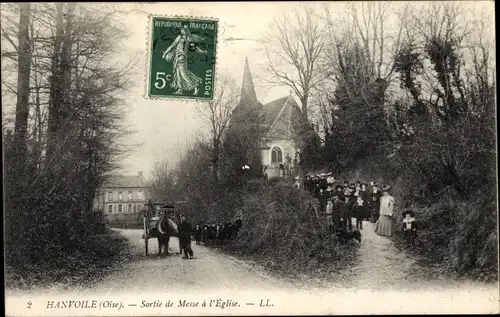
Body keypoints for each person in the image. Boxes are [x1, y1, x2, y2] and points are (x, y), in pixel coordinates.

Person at [162, 25, 207, 95]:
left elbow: (195, 47)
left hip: (182, 57)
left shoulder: (188, 38)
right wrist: (165, 53)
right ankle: (180, 90)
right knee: (178, 73)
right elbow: (173, 45)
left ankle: (196, 87)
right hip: (177, 57)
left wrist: (202, 52)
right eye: (182, 30)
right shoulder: (179, 37)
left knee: (183, 73)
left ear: (186, 31)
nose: (182, 31)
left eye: (184, 30)